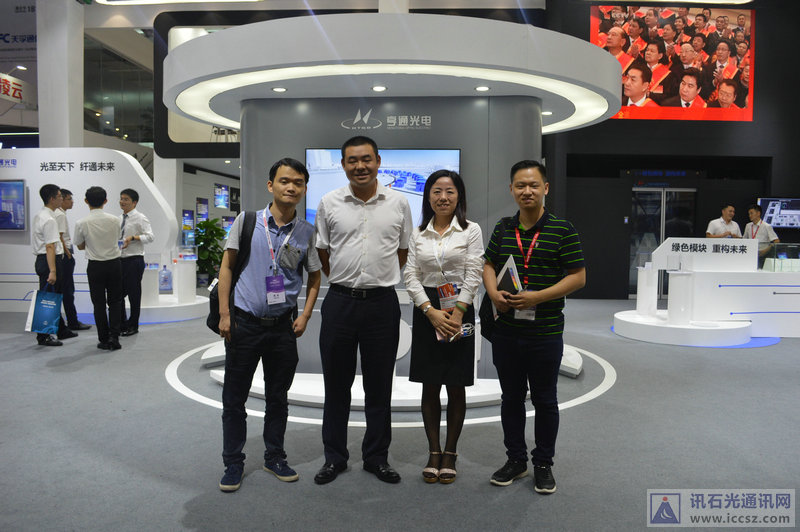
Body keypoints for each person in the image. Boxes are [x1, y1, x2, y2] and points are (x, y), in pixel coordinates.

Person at [217, 158, 321, 493]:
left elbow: (315, 277)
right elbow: (226, 267)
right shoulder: (247, 221)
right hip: (244, 324)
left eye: (298, 183)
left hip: (282, 328)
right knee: (234, 399)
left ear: (304, 189)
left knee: (278, 397)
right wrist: (224, 314)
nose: (291, 187)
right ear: (270, 185)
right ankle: (233, 462)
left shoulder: (306, 232)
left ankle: (274, 456)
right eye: (284, 181)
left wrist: (305, 314)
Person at [313, 135, 413, 485]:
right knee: (336, 386)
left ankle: (376, 457)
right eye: (352, 160)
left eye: (366, 159)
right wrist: (344, 278)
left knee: (379, 386)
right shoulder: (329, 202)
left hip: (382, 304)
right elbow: (323, 250)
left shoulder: (399, 203)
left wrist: (378, 277)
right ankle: (334, 458)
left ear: (378, 161)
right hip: (339, 303)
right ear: (343, 164)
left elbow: (403, 251)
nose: (360, 166)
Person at [483, 160, 585, 495]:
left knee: (545, 400)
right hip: (506, 332)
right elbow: (489, 263)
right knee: (511, 398)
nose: (527, 191)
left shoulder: (563, 229)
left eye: (533, 185)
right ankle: (516, 460)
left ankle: (543, 463)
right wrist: (493, 292)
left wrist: (537, 297)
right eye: (520, 186)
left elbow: (578, 277)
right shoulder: (503, 228)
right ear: (511, 189)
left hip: (545, 332)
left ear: (545, 188)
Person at [402, 170, 483, 484]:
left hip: (460, 306)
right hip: (428, 310)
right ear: (428, 196)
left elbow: (474, 272)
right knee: (430, 383)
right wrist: (430, 311)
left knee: (456, 382)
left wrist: (458, 312)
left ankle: (451, 453)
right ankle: (433, 451)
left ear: (459, 196)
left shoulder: (470, 230)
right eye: (437, 191)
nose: (443, 197)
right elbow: (411, 276)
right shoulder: (418, 233)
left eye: (450, 191)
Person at [72, 186, 124, 350]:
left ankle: (103, 338)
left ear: (86, 201)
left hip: (95, 266)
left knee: (98, 303)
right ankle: (115, 337)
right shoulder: (115, 220)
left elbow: (79, 245)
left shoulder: (81, 223)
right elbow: (117, 238)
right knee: (115, 301)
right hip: (114, 263)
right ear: (105, 201)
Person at [31, 184, 75, 346]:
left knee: (53, 296)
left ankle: (61, 329)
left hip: (44, 260)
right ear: (51, 199)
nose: (61, 199)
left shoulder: (41, 215)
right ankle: (43, 336)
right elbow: (50, 246)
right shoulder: (49, 219)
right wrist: (53, 270)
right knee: (48, 298)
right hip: (49, 260)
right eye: (59, 196)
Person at [53, 188, 91, 331]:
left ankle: (68, 321)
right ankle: (72, 322)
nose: (72, 202)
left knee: (64, 290)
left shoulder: (56, 214)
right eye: (69, 199)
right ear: (61, 199)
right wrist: (68, 253)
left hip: (62, 255)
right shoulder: (60, 215)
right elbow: (59, 236)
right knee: (67, 290)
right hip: (64, 256)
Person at [119, 188, 154, 336]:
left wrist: (134, 238)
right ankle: (121, 324)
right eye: (121, 198)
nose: (122, 202)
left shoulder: (140, 218)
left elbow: (150, 237)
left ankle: (133, 325)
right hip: (120, 259)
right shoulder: (119, 218)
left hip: (134, 259)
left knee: (134, 295)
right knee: (117, 294)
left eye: (126, 199)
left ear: (134, 202)